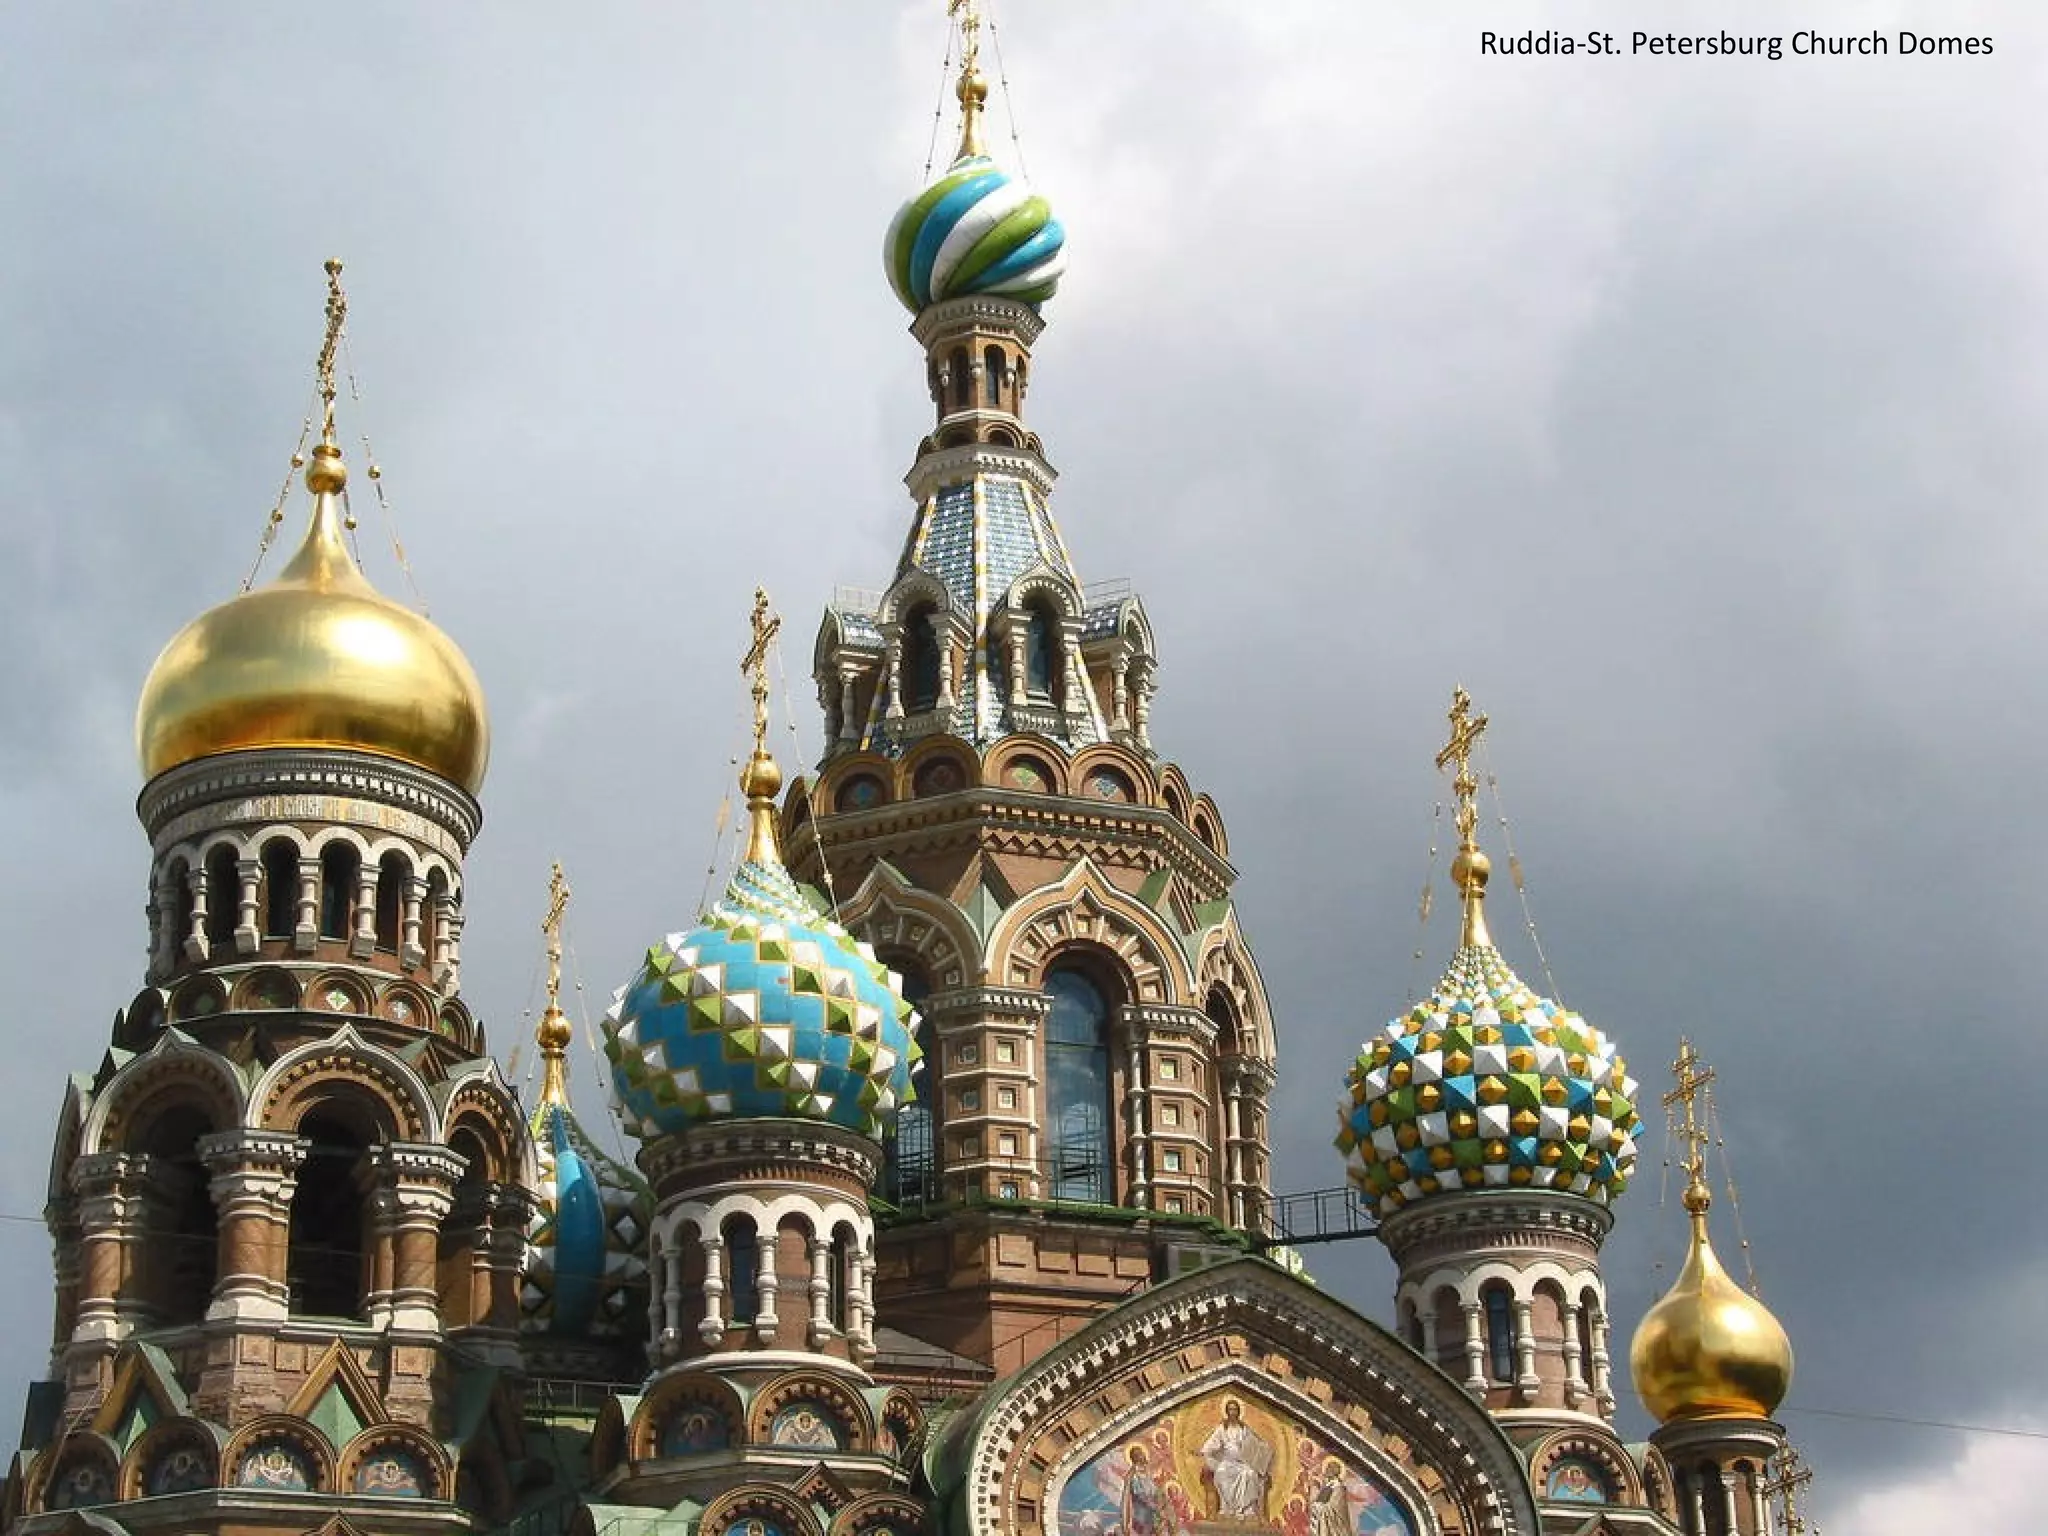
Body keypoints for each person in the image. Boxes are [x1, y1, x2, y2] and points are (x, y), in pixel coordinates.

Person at [1199, 1399, 1274, 1521]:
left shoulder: (1244, 1428)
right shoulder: (1222, 1428)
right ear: (1227, 1412)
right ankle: (1227, 1508)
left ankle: (1247, 1509)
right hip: (1227, 1463)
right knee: (1221, 1473)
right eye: (1230, 1409)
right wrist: (1203, 1451)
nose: (1232, 1412)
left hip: (1242, 1463)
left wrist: (1263, 1450)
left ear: (1238, 1412)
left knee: (1250, 1474)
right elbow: (1211, 1443)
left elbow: (1255, 1443)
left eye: (1235, 1409)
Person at [1121, 1444, 1171, 1536]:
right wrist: (1156, 1507)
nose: (1142, 1455)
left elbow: (1156, 1488)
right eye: (1138, 1454)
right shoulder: (1134, 1475)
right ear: (1134, 1458)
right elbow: (1141, 1496)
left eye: (1142, 1452)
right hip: (1144, 1512)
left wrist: (1161, 1498)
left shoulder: (1148, 1470)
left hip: (1155, 1505)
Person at [1307, 1459, 1353, 1536]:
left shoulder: (1339, 1488)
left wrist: (1317, 1506)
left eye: (1329, 1468)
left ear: (1335, 1471)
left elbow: (1334, 1508)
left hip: (1329, 1527)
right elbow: (1316, 1502)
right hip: (1318, 1523)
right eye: (1327, 1467)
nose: (1326, 1470)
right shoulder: (1326, 1487)